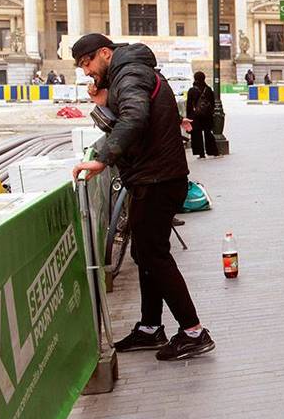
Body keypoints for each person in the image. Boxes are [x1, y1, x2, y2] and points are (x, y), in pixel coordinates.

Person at [69, 33, 216, 361]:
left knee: (153, 255)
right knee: (147, 253)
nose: (86, 72)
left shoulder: (130, 73)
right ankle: (151, 328)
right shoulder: (129, 73)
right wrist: (104, 102)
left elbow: (135, 118)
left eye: (87, 63)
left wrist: (101, 158)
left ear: (105, 53)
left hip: (157, 179)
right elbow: (128, 118)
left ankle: (193, 332)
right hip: (155, 177)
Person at [185, 71, 218, 158]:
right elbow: (212, 103)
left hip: (196, 115)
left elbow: (189, 105)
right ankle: (213, 152)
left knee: (196, 134)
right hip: (207, 115)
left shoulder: (192, 90)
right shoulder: (208, 89)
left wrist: (189, 117)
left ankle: (201, 154)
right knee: (208, 133)